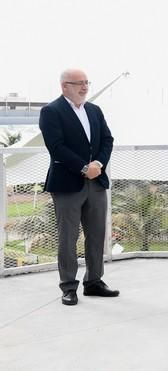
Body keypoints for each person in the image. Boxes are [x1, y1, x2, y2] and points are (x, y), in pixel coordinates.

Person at [39, 69, 119, 306]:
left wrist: (98, 163)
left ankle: (93, 282)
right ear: (65, 86)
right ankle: (68, 287)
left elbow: (107, 140)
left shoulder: (94, 110)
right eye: (79, 84)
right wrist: (84, 168)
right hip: (67, 184)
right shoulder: (51, 111)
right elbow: (56, 147)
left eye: (86, 83)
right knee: (68, 237)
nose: (84, 87)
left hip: (97, 182)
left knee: (96, 235)